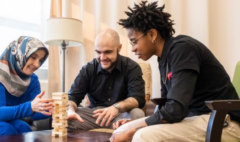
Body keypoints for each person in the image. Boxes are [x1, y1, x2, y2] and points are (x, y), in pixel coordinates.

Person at [110, 1, 240, 142]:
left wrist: (136, 127)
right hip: (197, 119)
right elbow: (168, 107)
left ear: (152, 34)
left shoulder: (183, 49)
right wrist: (136, 124)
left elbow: (176, 109)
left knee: (142, 136)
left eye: (134, 41)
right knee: (130, 132)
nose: (133, 48)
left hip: (222, 122)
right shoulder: (163, 60)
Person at [67, 29, 146, 130]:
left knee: (137, 114)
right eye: (98, 52)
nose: (102, 57)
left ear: (119, 48)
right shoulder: (88, 69)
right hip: (94, 116)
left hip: (120, 116)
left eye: (108, 52)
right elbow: (73, 97)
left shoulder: (131, 67)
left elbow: (137, 98)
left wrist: (116, 107)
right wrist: (70, 111)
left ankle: (123, 129)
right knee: (65, 117)